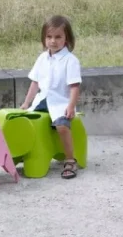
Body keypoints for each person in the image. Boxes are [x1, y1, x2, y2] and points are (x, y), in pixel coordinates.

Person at [20, 15, 82, 179]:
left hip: (61, 103)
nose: (53, 41)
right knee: (23, 121)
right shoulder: (42, 58)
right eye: (49, 37)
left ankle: (70, 159)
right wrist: (26, 103)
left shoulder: (71, 61)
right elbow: (35, 83)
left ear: (66, 38)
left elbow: (74, 87)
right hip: (42, 101)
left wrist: (70, 106)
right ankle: (24, 153)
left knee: (61, 126)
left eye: (58, 37)